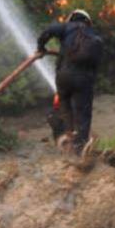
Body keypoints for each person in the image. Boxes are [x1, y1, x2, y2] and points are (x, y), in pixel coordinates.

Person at [36, 10, 104, 156]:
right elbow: (96, 65)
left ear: (71, 18)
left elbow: (48, 30)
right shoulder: (94, 37)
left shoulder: (67, 27)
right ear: (88, 22)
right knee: (83, 115)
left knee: (65, 108)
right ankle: (80, 150)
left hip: (63, 77)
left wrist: (41, 47)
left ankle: (68, 137)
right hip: (84, 80)